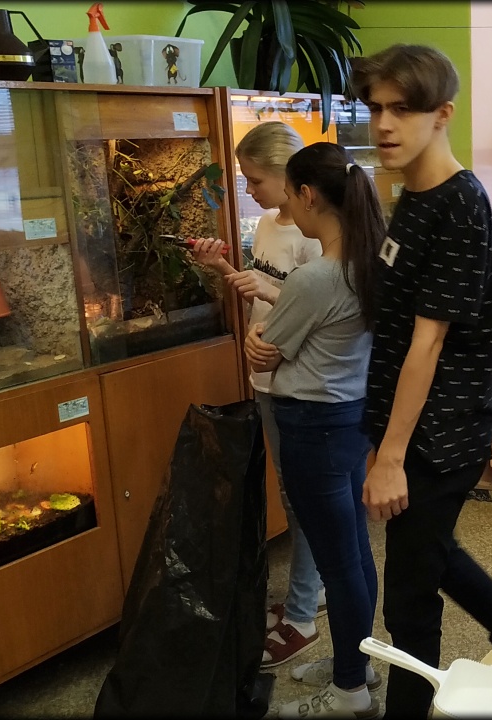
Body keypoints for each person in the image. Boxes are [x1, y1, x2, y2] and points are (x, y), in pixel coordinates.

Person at [340, 43, 492, 718]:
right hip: (409, 423)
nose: (384, 124)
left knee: (410, 600)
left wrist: (390, 458)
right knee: (433, 554)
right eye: (375, 108)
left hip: (441, 433)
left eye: (403, 109)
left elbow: (428, 343)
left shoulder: (458, 202)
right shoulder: (412, 195)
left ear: (442, 114)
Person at [246, 142, 385, 718]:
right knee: (354, 550)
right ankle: (359, 662)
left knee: (338, 562)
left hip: (312, 426)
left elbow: (268, 352)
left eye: (288, 194)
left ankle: (350, 690)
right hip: (351, 418)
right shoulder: (370, 263)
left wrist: (259, 341)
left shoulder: (315, 277)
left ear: (307, 195)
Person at [190, 120, 326, 670]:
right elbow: (263, 292)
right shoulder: (268, 225)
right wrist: (222, 267)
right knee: (292, 495)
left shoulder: (316, 237)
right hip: (266, 378)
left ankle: (302, 613)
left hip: (299, 382)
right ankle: (313, 590)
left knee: (303, 500)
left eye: (256, 180)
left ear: (290, 176)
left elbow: (317, 314)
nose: (249, 191)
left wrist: (267, 292)